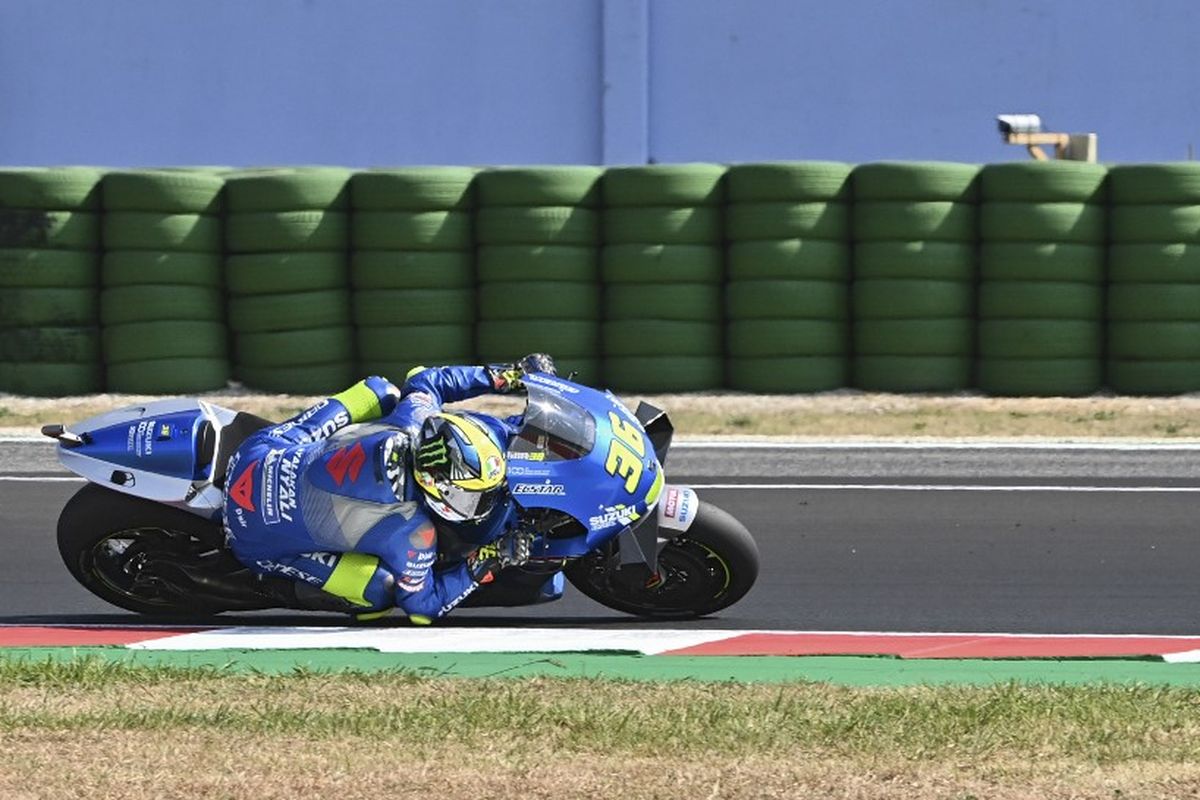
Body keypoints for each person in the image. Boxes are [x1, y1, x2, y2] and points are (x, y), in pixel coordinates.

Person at [220, 355, 554, 624]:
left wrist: (509, 376)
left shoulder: (413, 420)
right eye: (472, 496)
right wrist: (489, 558)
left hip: (256, 453)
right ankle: (273, 588)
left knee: (382, 391)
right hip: (251, 537)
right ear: (438, 488)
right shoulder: (413, 533)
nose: (482, 502)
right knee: (379, 592)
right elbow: (424, 608)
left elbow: (426, 380)